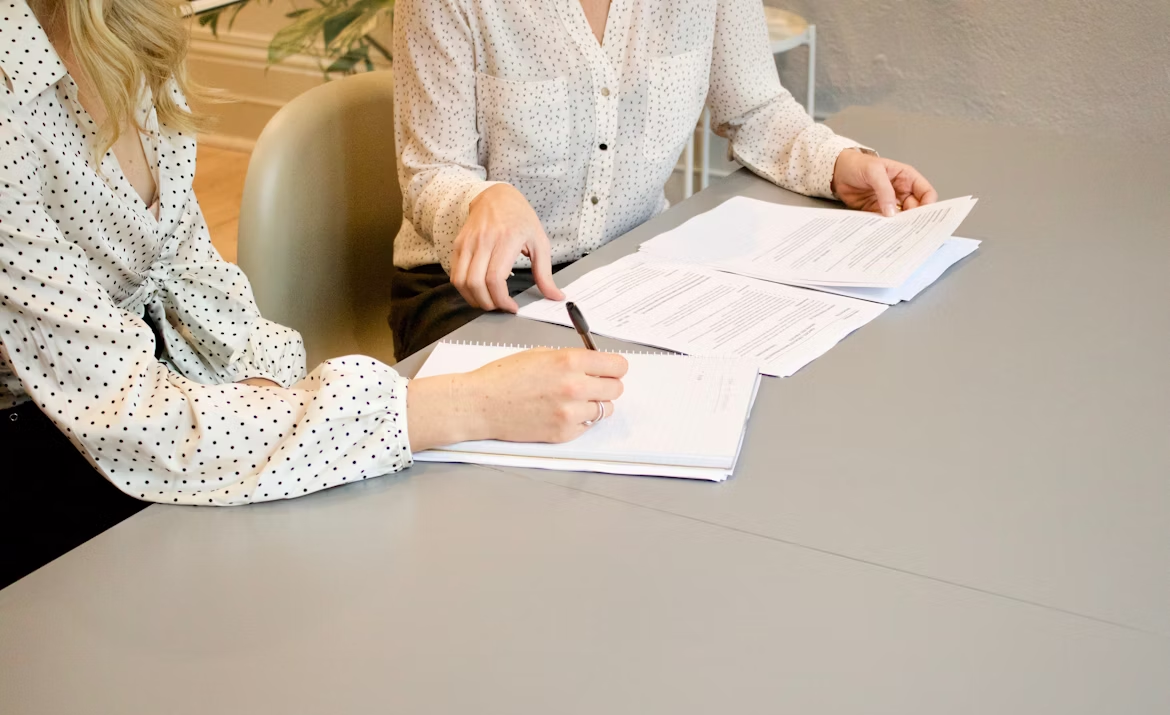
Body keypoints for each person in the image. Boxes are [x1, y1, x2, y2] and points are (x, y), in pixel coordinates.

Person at [0, 0, 627, 589]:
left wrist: (264, 387)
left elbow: (190, 273)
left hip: (154, 404)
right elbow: (132, 419)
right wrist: (465, 406)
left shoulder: (126, 29)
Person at [390, 0, 940, 358]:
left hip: (629, 272)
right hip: (474, 289)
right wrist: (484, 199)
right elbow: (431, 170)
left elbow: (755, 109)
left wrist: (840, 163)